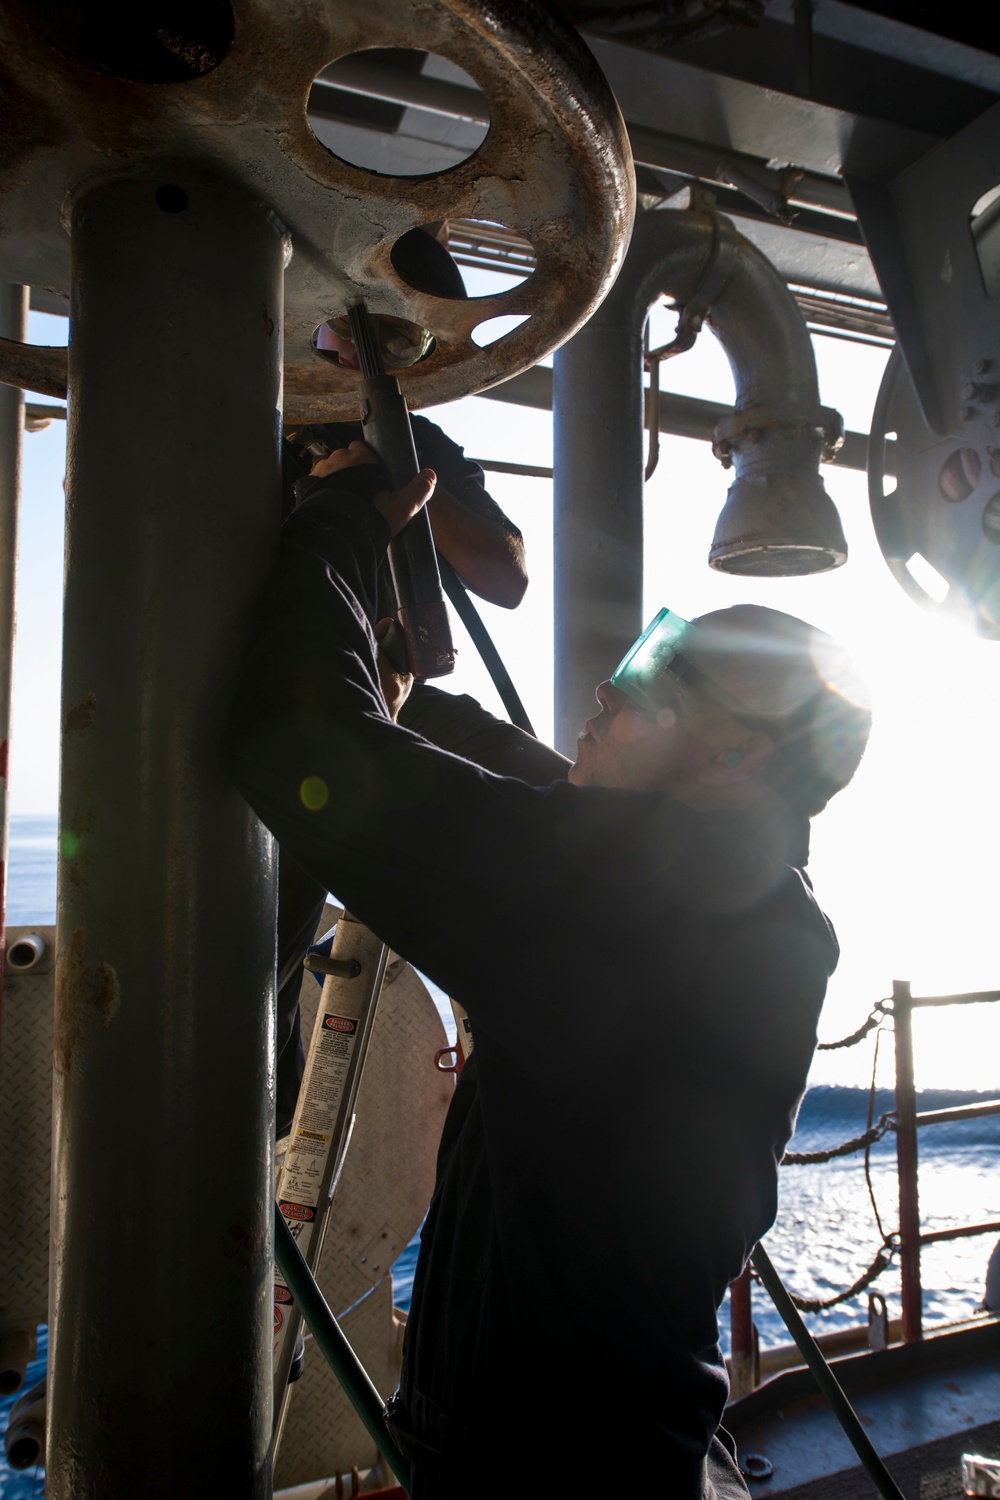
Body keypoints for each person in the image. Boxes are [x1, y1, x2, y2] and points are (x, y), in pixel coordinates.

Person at [225, 444, 871, 1498]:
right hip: (625, 1440)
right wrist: (408, 696)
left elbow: (287, 739)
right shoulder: (742, 898)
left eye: (659, 675)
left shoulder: (634, 897)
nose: (612, 688)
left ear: (736, 757)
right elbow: (525, 791)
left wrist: (343, 519)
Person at [275, 226, 530, 1140]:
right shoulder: (257, 422)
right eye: (352, 332)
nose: (367, 352)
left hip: (400, 700)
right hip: (296, 715)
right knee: (260, 950)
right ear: (313, 328)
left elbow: (504, 576)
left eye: (398, 339)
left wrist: (408, 470)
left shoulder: (424, 442)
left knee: (555, 795)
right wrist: (335, 497)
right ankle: (241, 1126)